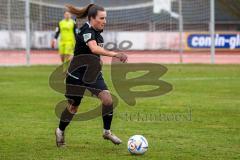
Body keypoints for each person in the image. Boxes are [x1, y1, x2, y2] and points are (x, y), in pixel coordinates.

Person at [55, 3, 128, 147]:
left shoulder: (98, 34)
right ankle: (60, 130)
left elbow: (95, 54)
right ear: (92, 18)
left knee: (107, 100)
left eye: (105, 18)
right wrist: (115, 54)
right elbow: (93, 49)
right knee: (73, 107)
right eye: (101, 18)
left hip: (93, 74)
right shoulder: (86, 30)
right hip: (76, 75)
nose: (105, 21)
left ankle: (107, 132)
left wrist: (98, 63)